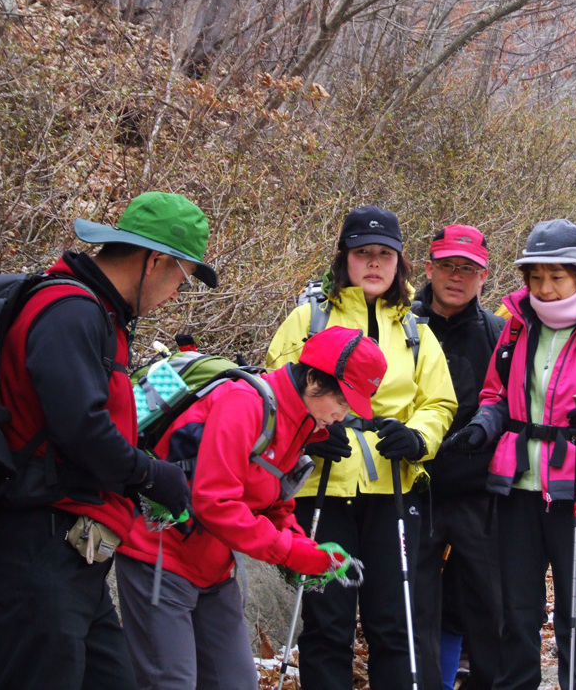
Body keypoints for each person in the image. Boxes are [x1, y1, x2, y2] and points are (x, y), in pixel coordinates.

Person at [0, 191, 211, 690]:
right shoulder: (71, 311)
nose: (176, 293)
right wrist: (151, 475)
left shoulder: (98, 315)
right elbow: (81, 428)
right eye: (182, 278)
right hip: (36, 545)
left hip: (71, 556)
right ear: (156, 261)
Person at [115, 326, 389, 689]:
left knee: (235, 682)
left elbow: (276, 504)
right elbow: (214, 502)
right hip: (159, 557)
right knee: (170, 681)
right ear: (313, 378)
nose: (341, 416)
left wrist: (305, 547)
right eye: (341, 402)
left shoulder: (299, 422)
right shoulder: (244, 403)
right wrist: (289, 552)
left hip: (213, 569)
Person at [446, 219, 576, 690]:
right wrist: (483, 427)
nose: (546, 288)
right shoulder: (517, 327)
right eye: (536, 277)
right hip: (517, 486)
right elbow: (496, 395)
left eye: (556, 277)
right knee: (515, 610)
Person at [266, 205, 457, 690]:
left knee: (393, 622)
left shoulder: (416, 330)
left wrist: (417, 438)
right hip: (323, 488)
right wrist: (309, 433)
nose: (373, 263)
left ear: (400, 262)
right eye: (362, 253)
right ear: (344, 259)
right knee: (327, 623)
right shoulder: (308, 318)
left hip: (392, 489)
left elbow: (438, 401)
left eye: (384, 255)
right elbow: (274, 390)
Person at [411, 225, 505, 690]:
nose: (456, 277)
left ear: (484, 277)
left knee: (490, 606)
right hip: (411, 486)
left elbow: (510, 404)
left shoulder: (497, 334)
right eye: (448, 265)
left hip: (476, 491)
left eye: (468, 269)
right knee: (415, 609)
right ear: (428, 269)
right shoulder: (401, 324)